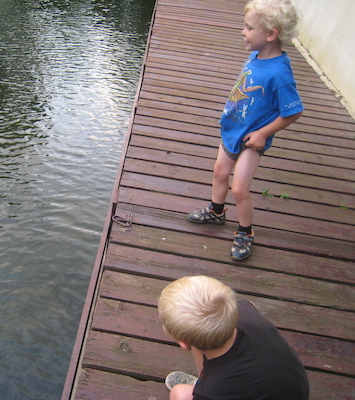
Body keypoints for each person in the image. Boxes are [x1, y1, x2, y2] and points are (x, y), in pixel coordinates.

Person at [188, 0, 304, 260]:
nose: (243, 31)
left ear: (270, 34)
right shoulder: (255, 55)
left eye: (249, 28)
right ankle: (217, 212)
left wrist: (264, 134)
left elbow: (293, 111)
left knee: (239, 188)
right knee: (219, 172)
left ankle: (245, 232)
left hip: (252, 139)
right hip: (233, 128)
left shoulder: (280, 74)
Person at [158, 275, 309, 400]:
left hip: (229, 389)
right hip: (293, 389)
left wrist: (203, 389)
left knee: (180, 393)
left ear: (183, 344)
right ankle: (201, 380)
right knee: (201, 343)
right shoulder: (245, 309)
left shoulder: (211, 392)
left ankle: (199, 383)